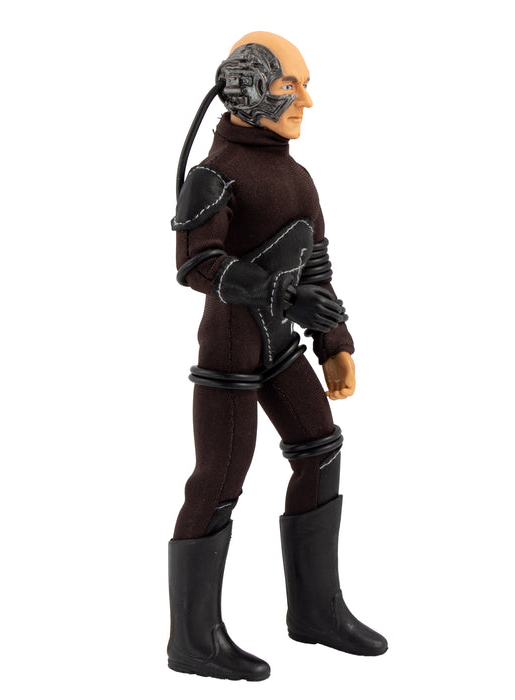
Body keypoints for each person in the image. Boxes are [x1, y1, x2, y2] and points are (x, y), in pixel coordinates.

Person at [168, 31, 387, 681]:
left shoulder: (297, 178)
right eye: (293, 86)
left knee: (321, 448)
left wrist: (334, 342)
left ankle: (316, 612)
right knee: (218, 481)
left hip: (281, 348)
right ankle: (193, 640)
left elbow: (315, 263)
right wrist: (280, 296)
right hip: (229, 355)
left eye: (305, 85)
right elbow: (197, 264)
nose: (307, 102)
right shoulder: (213, 175)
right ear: (250, 89)